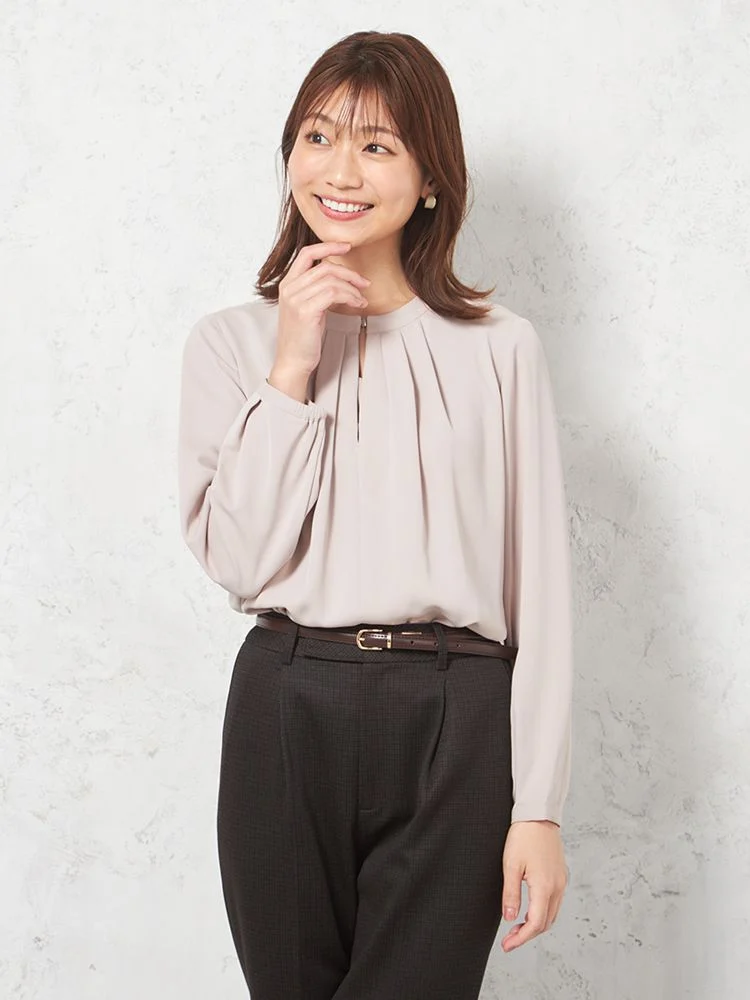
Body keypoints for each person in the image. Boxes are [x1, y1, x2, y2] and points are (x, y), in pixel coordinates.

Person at [177, 29, 573, 1000]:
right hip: (284, 699)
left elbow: (543, 596)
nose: (340, 171)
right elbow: (240, 561)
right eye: (317, 137)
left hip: (456, 715)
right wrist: (292, 361)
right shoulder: (230, 344)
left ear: (431, 178)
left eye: (377, 145)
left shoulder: (501, 349)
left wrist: (539, 807)